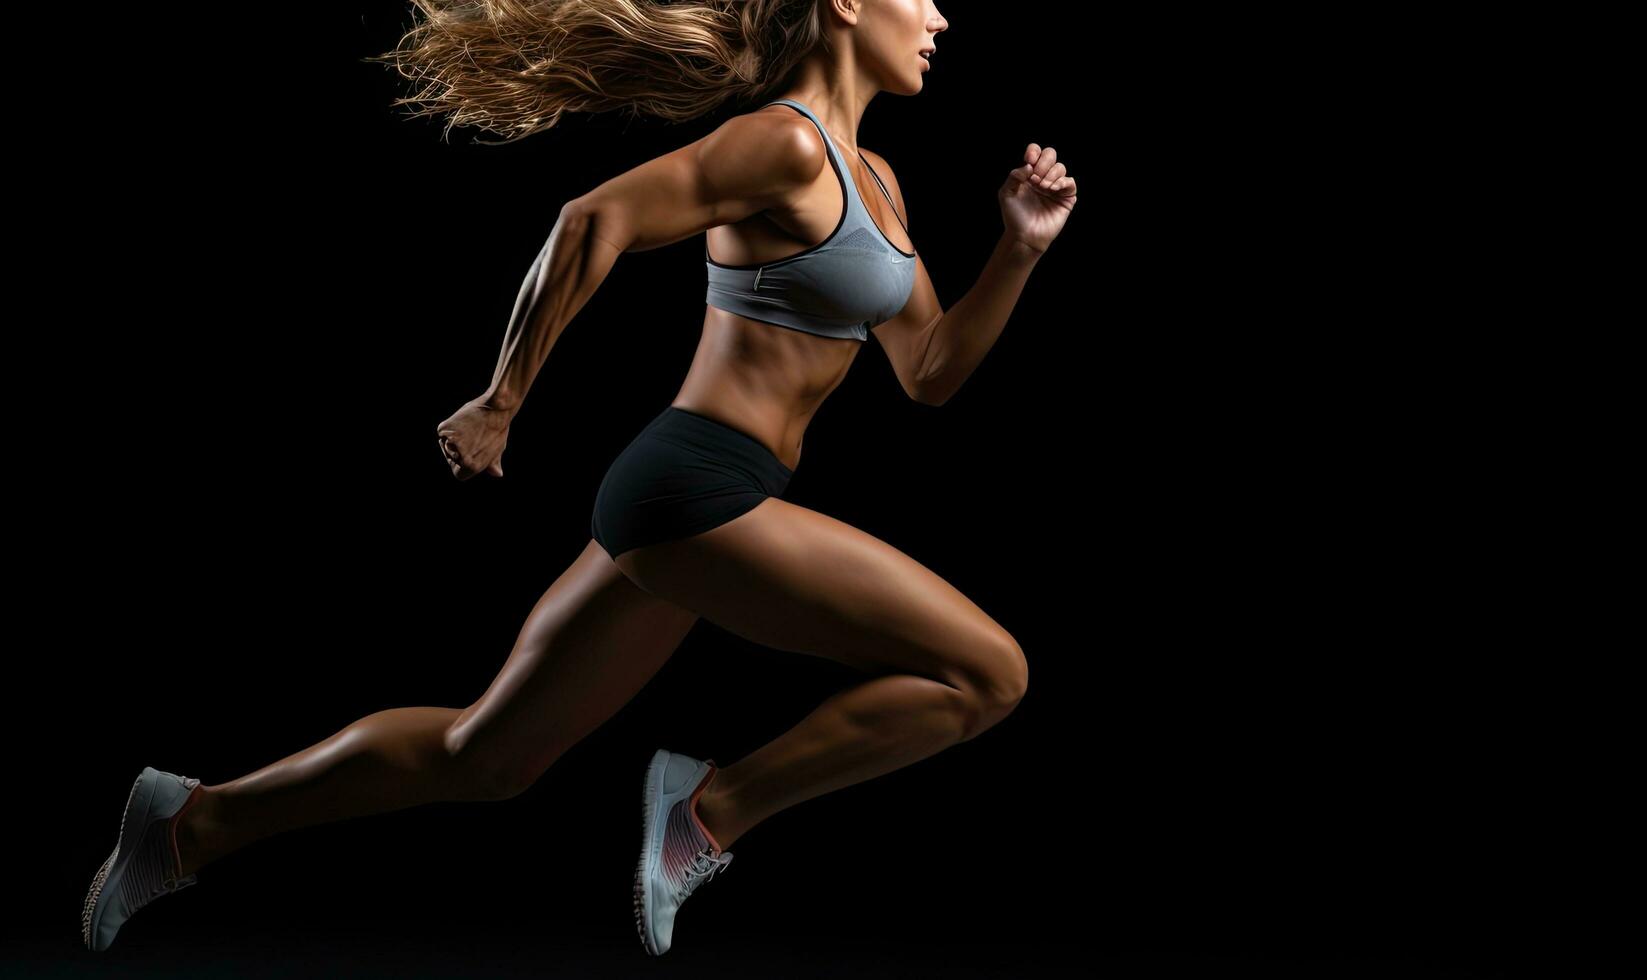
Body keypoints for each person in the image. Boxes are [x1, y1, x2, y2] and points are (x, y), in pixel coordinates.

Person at [81, 0, 1077, 958]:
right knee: (989, 672)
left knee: (486, 757)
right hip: (698, 490)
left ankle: (189, 822)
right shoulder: (788, 146)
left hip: (697, 497)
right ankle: (711, 809)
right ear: (849, 3)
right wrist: (502, 396)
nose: (940, 17)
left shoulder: (878, 178)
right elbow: (592, 219)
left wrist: (1018, 250)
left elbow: (931, 369)